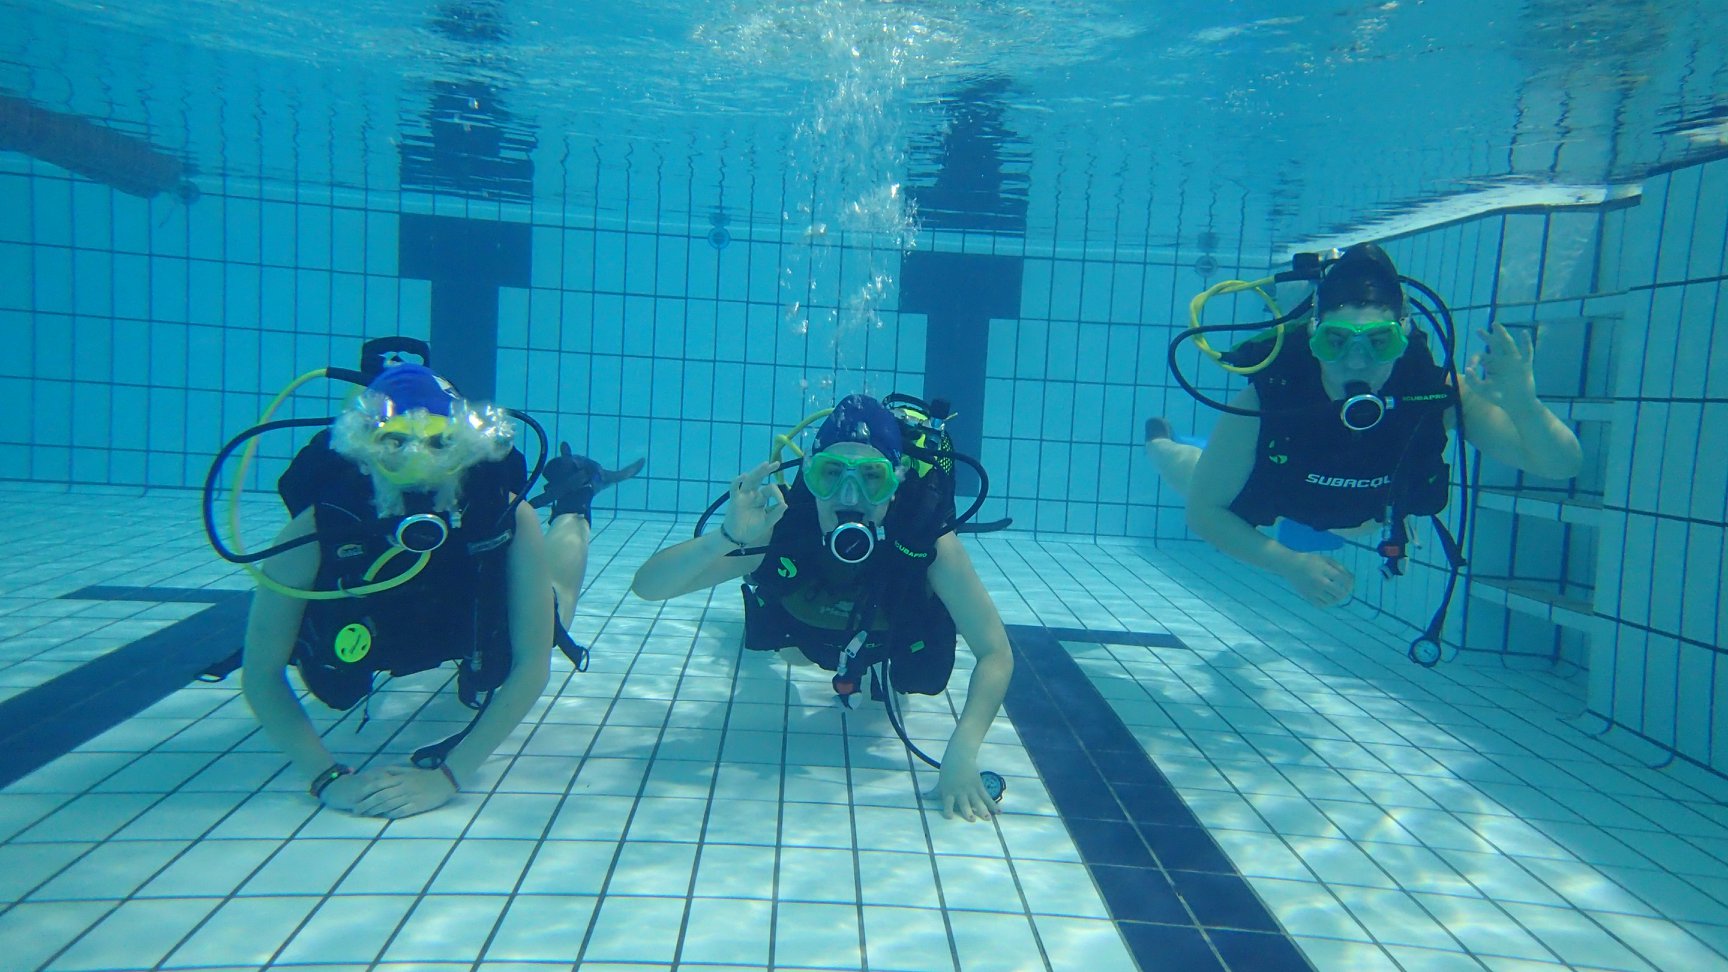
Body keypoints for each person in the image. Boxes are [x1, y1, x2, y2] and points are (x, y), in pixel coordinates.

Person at [240, 363, 641, 818]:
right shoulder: (317, 528)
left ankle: (574, 499)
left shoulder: (504, 512)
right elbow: (261, 673)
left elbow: (532, 665)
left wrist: (449, 777)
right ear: (363, 447)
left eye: (438, 442)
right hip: (377, 631)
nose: (418, 460)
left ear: (467, 447)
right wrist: (326, 778)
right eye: (396, 441)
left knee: (554, 616)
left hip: (469, 616)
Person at [631, 394, 1013, 822]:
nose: (849, 495)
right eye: (830, 474)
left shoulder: (931, 545)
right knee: (790, 655)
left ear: (897, 480)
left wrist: (961, 755)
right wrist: (728, 538)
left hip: (885, 635)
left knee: (915, 678)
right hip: (807, 627)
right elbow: (647, 587)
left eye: (871, 477)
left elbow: (995, 652)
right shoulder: (781, 526)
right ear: (809, 478)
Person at [1145, 243, 1582, 608]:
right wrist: (1290, 564)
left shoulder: (1436, 393)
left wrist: (1524, 404)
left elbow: (1560, 466)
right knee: (1187, 470)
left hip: (1371, 515)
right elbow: (1205, 513)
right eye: (1336, 341)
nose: (1357, 361)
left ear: (1404, 334)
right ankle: (1159, 443)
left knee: (1212, 473)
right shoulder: (1271, 396)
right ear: (1314, 335)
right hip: (1281, 496)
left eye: (1379, 341)